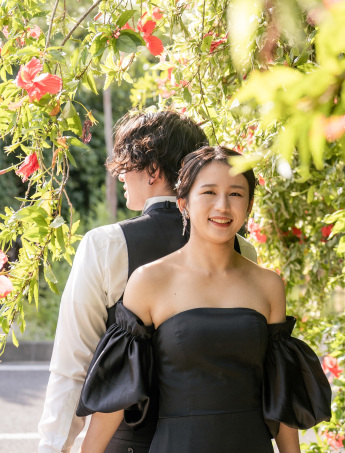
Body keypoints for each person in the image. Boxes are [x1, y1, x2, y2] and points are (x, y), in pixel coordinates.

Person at [76, 146, 331, 453]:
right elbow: (116, 397)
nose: (223, 206)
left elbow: (281, 396)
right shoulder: (148, 281)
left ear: (249, 205)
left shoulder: (268, 285)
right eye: (209, 192)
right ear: (183, 202)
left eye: (235, 194)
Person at [38, 111, 258, 453]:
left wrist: (53, 448)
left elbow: (73, 366)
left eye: (126, 164)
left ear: (153, 169)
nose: (120, 175)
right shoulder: (241, 248)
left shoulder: (106, 245)